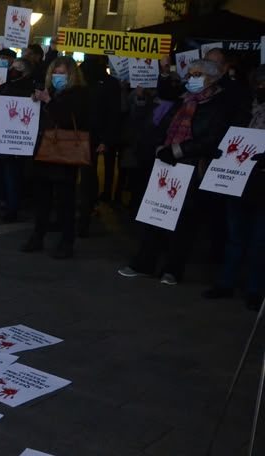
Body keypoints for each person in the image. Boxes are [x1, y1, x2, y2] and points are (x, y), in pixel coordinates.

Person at [117, 59, 229, 285]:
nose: (192, 78)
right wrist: (161, 148)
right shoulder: (182, 102)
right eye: (191, 73)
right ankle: (144, 263)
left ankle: (173, 269)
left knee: (183, 222)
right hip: (166, 165)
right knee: (155, 216)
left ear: (212, 78)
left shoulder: (218, 106)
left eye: (198, 74)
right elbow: (163, 127)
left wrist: (178, 150)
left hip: (192, 167)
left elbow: (211, 139)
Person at [202, 65, 265, 310]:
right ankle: (226, 283)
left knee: (259, 240)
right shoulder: (244, 107)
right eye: (257, 83)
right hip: (237, 179)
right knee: (235, 236)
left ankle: (254, 289)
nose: (260, 88)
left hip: (261, 184)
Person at [21, 56, 89, 259]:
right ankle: (37, 236)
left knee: (65, 201)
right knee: (42, 199)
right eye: (55, 73)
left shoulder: (78, 94)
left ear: (71, 75)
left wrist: (48, 101)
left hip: (64, 153)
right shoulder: (50, 92)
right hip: (45, 150)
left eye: (62, 73)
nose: (58, 77)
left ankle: (67, 242)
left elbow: (67, 120)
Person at [0, 58, 34, 222]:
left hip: (11, 139)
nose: (12, 70)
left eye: (16, 68)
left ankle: (12, 209)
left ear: (25, 71)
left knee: (11, 175)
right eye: (12, 67)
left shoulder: (30, 89)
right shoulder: (4, 86)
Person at [77, 55, 121, 237]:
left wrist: (106, 140)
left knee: (88, 177)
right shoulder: (80, 80)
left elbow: (113, 113)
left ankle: (85, 217)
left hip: (94, 137)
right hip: (77, 135)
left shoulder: (109, 84)